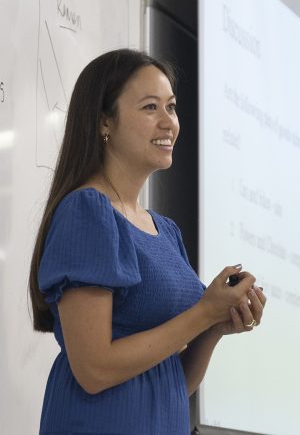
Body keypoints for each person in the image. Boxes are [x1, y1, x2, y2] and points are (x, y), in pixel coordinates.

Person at [28, 48, 266, 434]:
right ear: (105, 121)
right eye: (150, 107)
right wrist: (202, 313)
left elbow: (174, 381)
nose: (168, 123)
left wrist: (215, 327)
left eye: (171, 108)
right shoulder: (88, 211)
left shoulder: (166, 231)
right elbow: (93, 369)